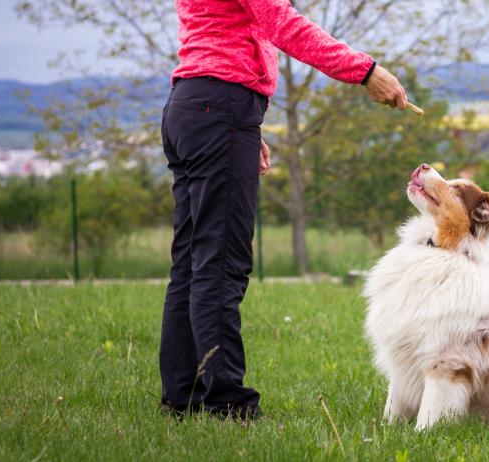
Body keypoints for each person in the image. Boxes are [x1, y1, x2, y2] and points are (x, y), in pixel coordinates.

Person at [159, 0, 407, 420]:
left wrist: (241, 127)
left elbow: (225, 31)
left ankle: (182, 397)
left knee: (191, 263)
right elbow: (282, 23)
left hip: (191, 107)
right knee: (219, 264)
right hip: (218, 109)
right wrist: (365, 71)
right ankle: (225, 403)